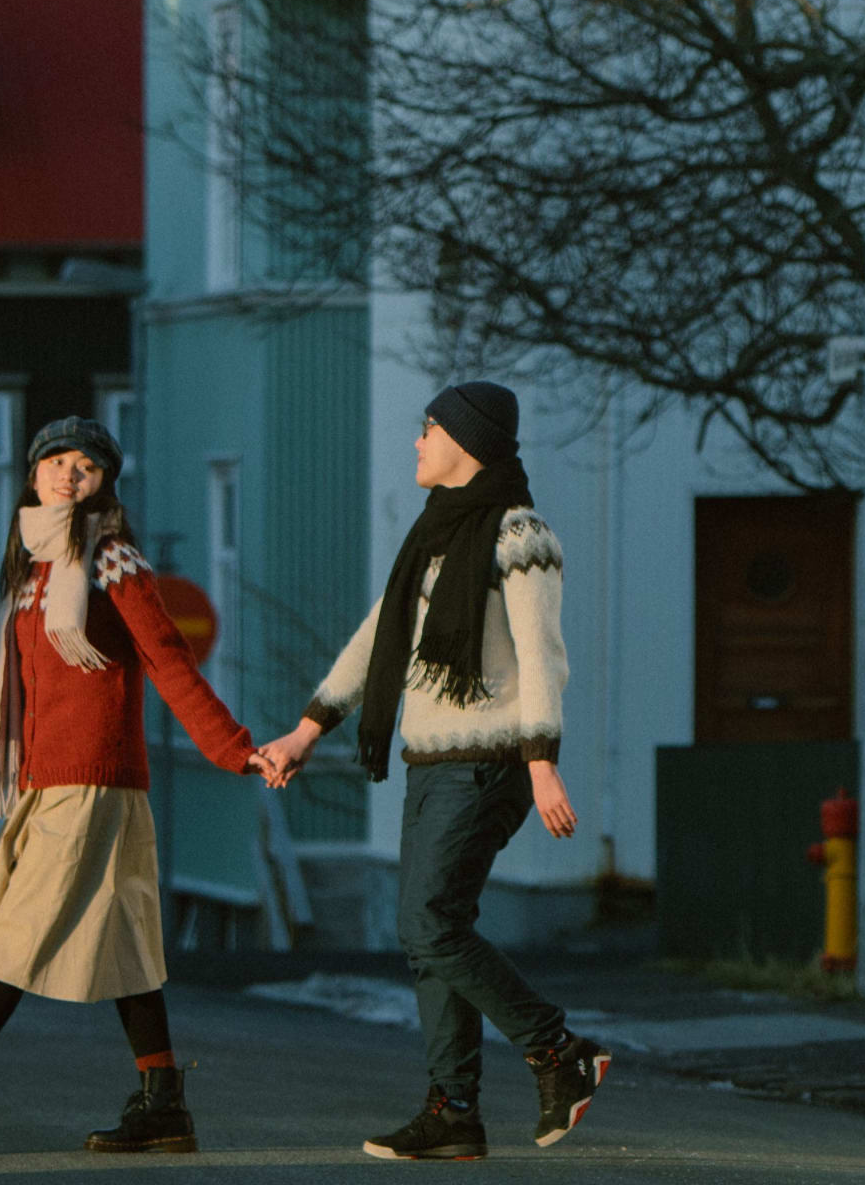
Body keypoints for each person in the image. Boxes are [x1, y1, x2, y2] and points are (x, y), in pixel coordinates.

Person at [0, 415, 259, 1158]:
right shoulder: (33, 566)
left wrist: (234, 749)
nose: (70, 475)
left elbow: (167, 658)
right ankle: (163, 1102)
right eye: (57, 462)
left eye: (88, 466)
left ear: (106, 484)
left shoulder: (112, 560)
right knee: (125, 939)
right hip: (51, 781)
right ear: (33, 475)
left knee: (17, 932)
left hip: (91, 781)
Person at [254, 381, 609, 1161]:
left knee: (430, 923)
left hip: (489, 764)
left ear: (466, 440)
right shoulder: (435, 536)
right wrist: (307, 730)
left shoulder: (521, 537)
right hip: (430, 763)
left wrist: (543, 764)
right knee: (428, 939)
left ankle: (559, 1052)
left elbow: (544, 660)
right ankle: (453, 1114)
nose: (416, 443)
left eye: (429, 430)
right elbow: (377, 638)